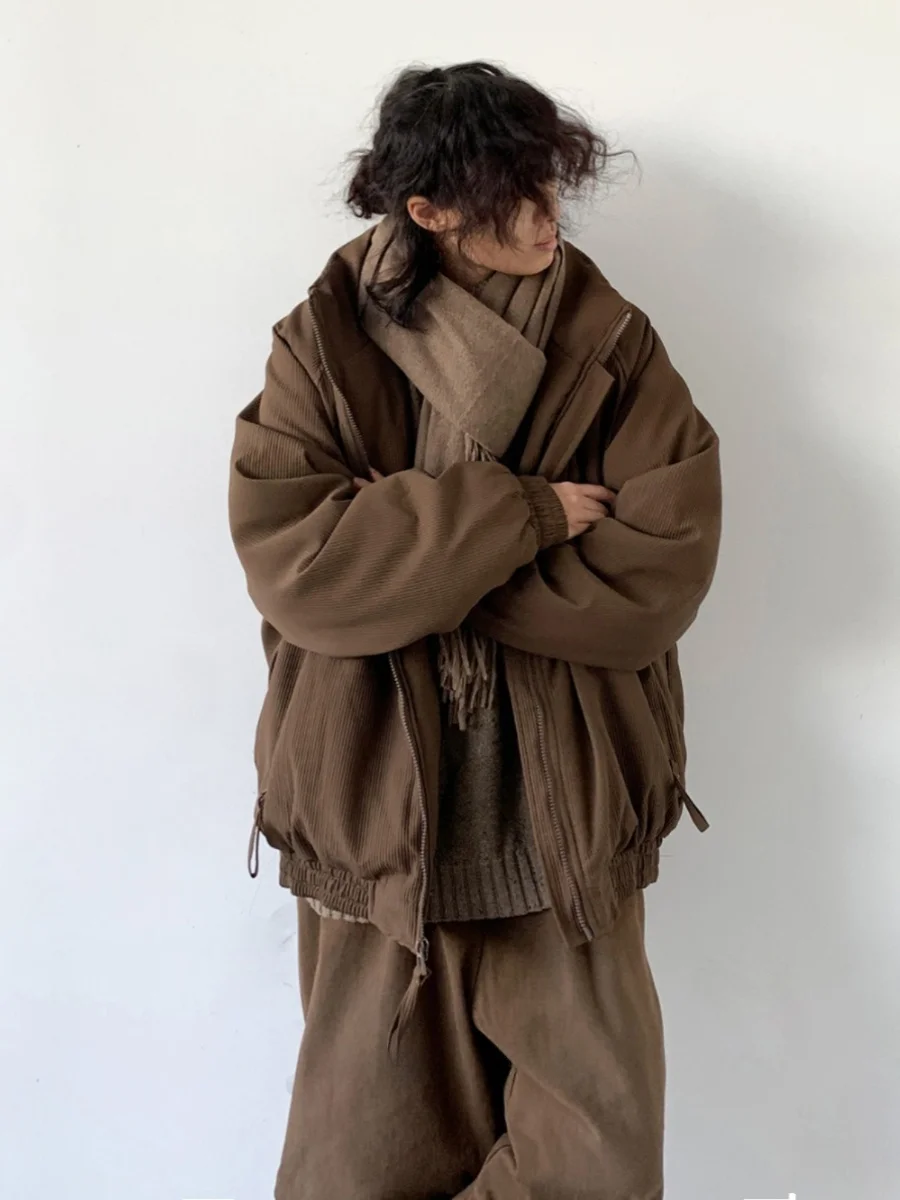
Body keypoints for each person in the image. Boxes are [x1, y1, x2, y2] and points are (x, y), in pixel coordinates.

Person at [229, 60, 721, 1200]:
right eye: (515, 197)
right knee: (366, 1162)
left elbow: (659, 570)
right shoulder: (322, 345)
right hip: (378, 815)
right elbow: (301, 569)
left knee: (597, 1163)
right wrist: (526, 517)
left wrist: (417, 567)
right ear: (430, 211)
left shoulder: (612, 342)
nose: (549, 219)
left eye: (552, 187)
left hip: (565, 817)